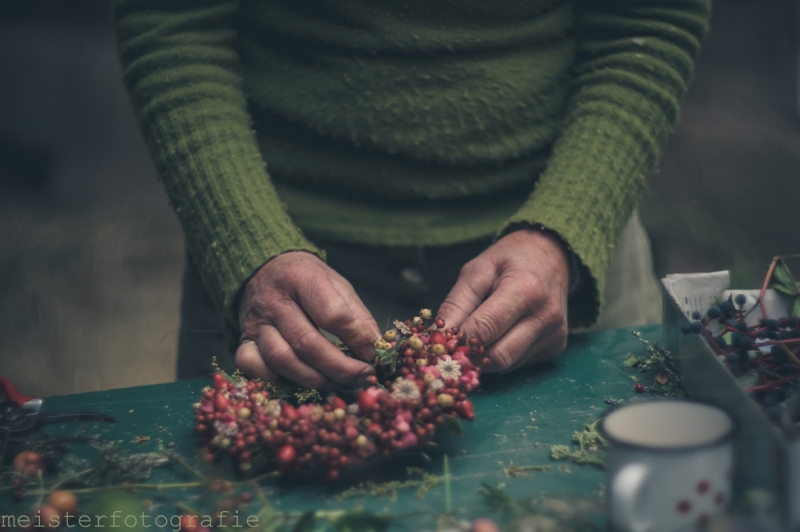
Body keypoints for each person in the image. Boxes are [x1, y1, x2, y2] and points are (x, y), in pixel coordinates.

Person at [113, 0, 710, 388]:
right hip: (279, 283)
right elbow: (170, 20)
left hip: (563, 269)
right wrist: (248, 246)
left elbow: (651, 20)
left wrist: (567, 230)